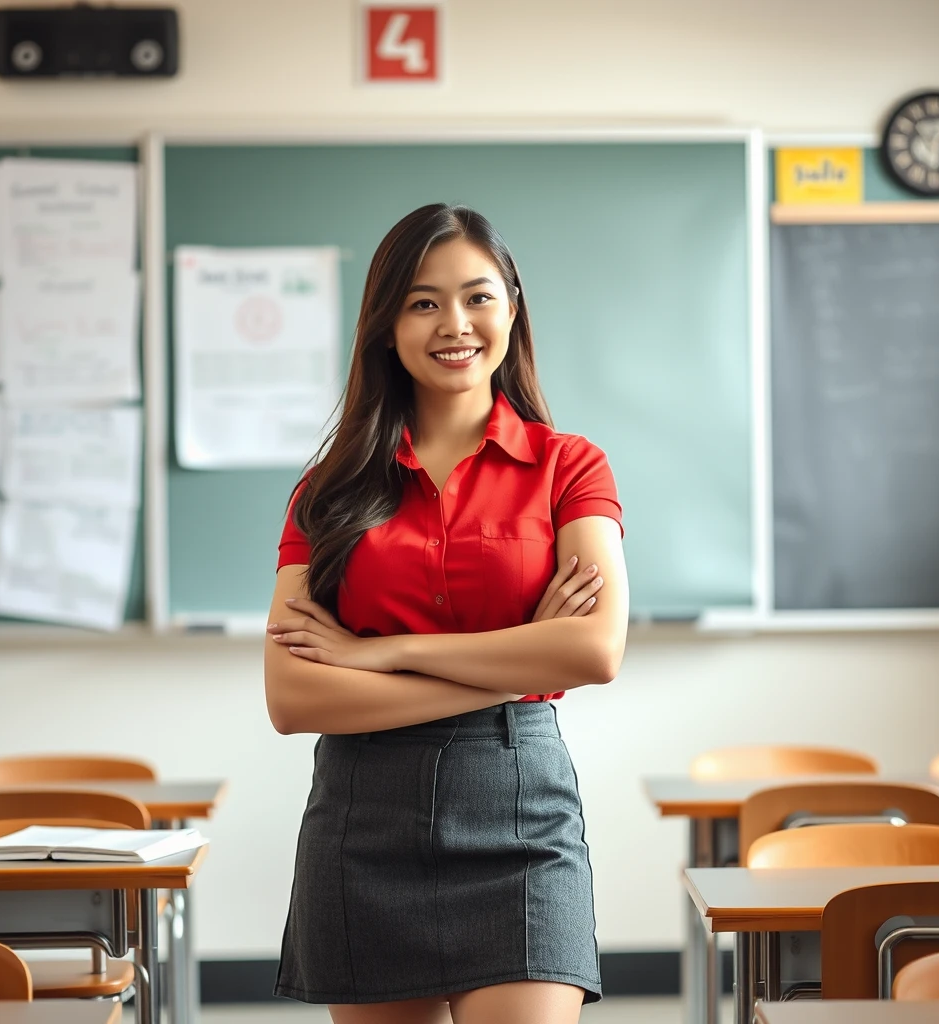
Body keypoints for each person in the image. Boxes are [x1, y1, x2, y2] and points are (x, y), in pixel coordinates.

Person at [263, 203, 629, 1024]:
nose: (454, 324)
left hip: (520, 814)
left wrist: (384, 652)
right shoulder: (328, 493)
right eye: (423, 302)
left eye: (478, 297)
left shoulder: (568, 468)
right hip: (364, 816)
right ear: (386, 325)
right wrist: (520, 661)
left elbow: (595, 651)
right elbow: (295, 699)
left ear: (512, 309)